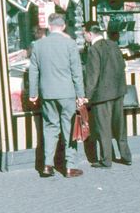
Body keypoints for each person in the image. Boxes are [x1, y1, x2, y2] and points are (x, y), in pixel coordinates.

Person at [28, 13, 87, 178]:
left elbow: (33, 71)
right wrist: (80, 94)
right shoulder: (70, 44)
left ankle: (47, 165)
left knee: (50, 127)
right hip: (67, 92)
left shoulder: (38, 45)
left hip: (47, 93)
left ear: (49, 26)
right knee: (69, 128)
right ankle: (70, 166)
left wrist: (33, 93)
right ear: (63, 26)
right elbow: (77, 72)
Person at [82, 21, 132, 168]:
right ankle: (126, 156)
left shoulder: (93, 50)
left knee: (104, 128)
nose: (83, 36)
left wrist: (87, 95)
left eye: (84, 34)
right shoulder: (113, 44)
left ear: (90, 34)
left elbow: (93, 75)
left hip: (102, 95)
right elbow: (121, 66)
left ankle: (106, 160)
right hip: (118, 92)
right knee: (119, 126)